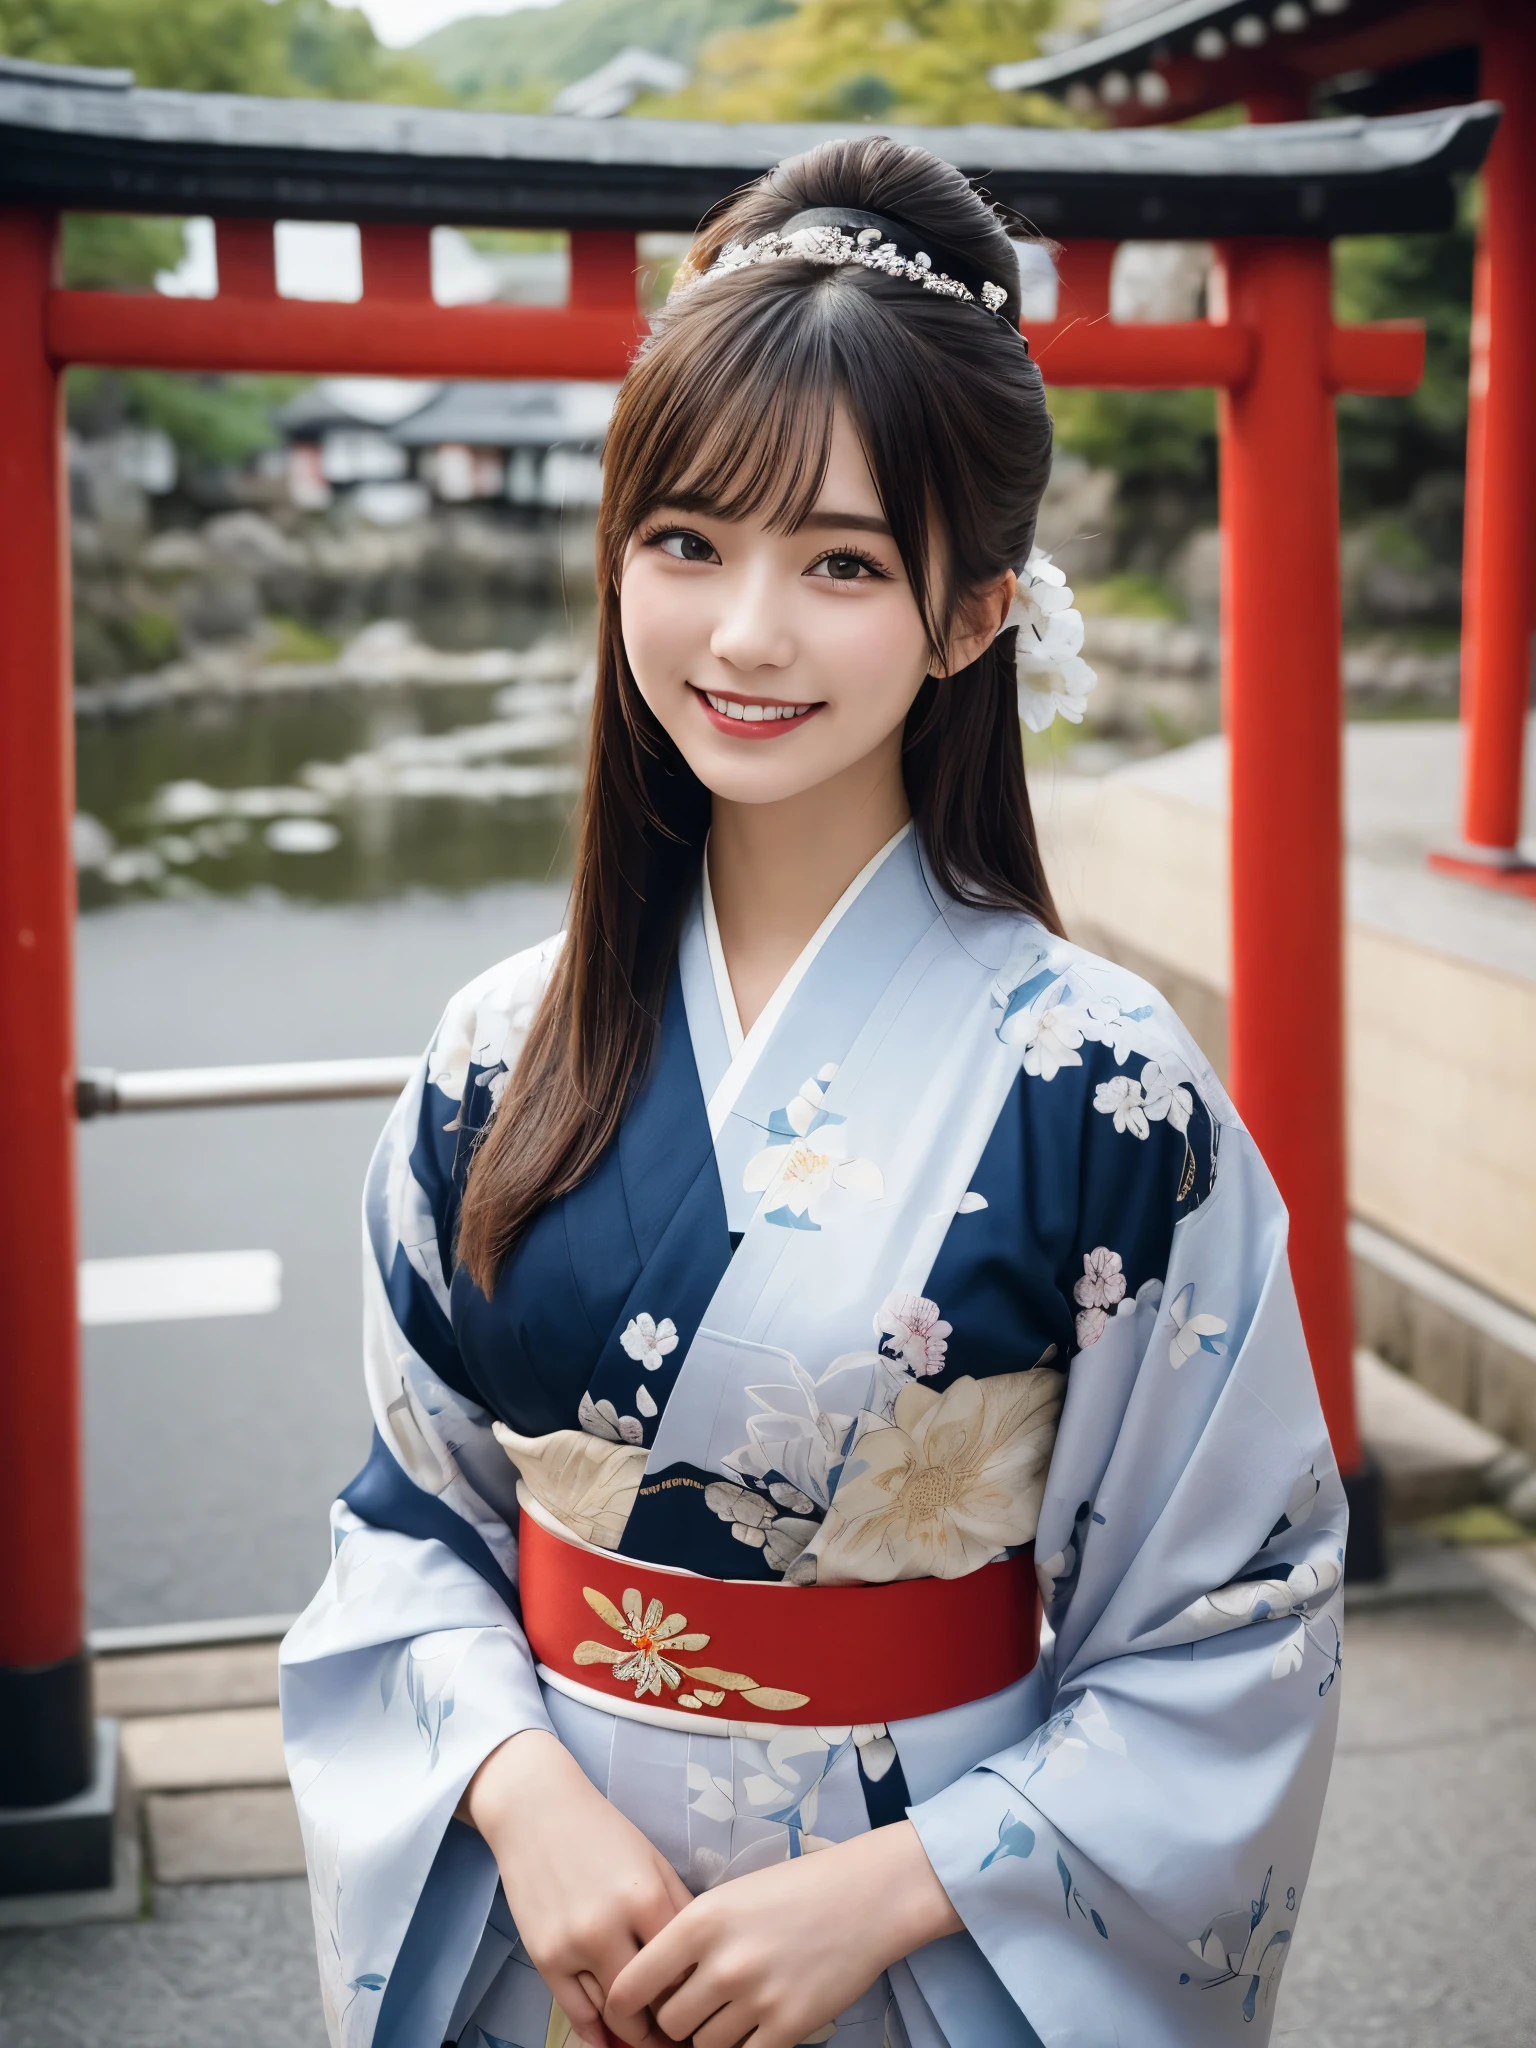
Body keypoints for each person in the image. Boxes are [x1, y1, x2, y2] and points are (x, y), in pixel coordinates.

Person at [280, 135, 1345, 2048]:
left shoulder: (1099, 1089)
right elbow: (410, 1524)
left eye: (841, 562)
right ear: (617, 559)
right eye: (687, 542)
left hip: (922, 1933)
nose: (746, 632)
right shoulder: (489, 1054)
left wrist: (889, 1891)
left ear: (969, 618)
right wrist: (521, 1803)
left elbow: (1233, 1622)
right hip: (558, 1932)